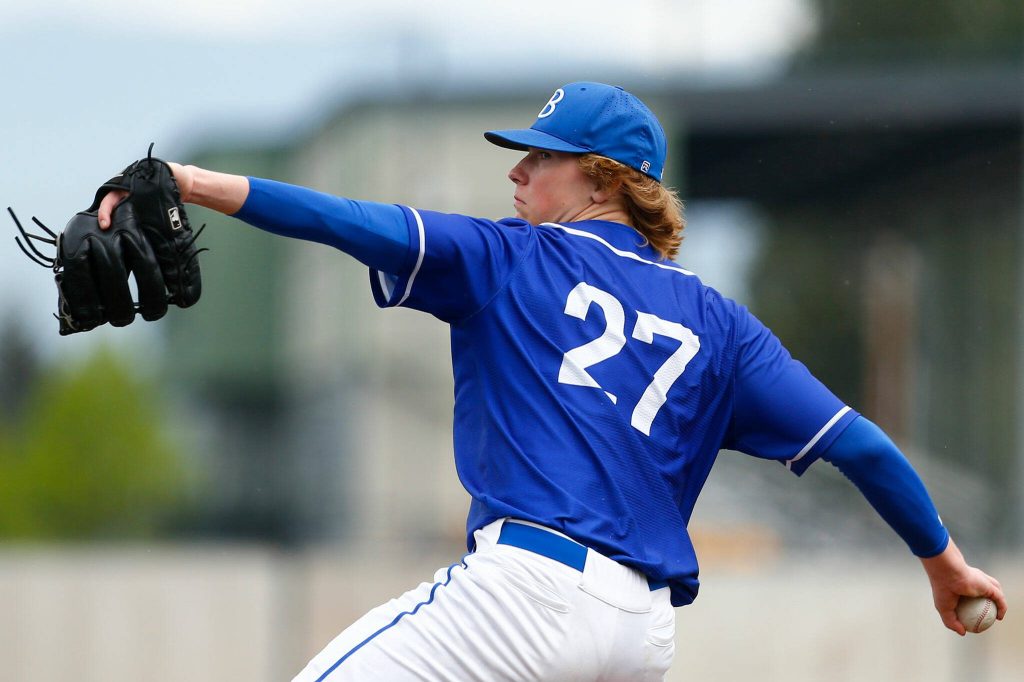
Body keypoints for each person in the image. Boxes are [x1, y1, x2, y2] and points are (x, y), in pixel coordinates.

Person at [99, 81, 1007, 681]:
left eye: (542, 155)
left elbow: (352, 222)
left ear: (604, 179)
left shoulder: (509, 258)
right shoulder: (723, 326)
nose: (518, 169)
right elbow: (864, 446)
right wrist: (941, 560)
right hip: (642, 636)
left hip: (529, 593)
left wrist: (187, 180)